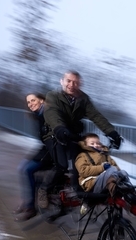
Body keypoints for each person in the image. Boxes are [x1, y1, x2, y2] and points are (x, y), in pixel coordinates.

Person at [38, 70, 122, 209]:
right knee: (62, 165)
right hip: (54, 133)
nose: (72, 85)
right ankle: (44, 189)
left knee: (83, 157)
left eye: (75, 82)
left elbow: (96, 116)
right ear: (62, 81)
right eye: (68, 81)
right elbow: (52, 113)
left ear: (80, 84)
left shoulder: (83, 99)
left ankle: (81, 190)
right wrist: (59, 128)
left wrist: (112, 133)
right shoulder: (53, 96)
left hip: (70, 134)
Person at [12, 93, 53, 221]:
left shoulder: (49, 114)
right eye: (28, 102)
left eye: (33, 100)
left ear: (41, 100)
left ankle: (31, 208)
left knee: (27, 170)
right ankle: (27, 200)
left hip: (53, 151)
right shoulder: (39, 115)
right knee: (21, 167)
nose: (30, 104)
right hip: (45, 149)